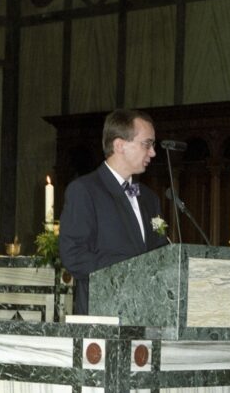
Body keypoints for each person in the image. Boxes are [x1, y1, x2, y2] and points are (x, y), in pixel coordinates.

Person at [59, 108, 169, 314]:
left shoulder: (149, 198)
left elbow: (160, 253)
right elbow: (73, 255)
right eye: (147, 144)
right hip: (102, 314)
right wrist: (131, 269)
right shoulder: (84, 190)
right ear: (119, 145)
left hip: (145, 313)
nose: (153, 152)